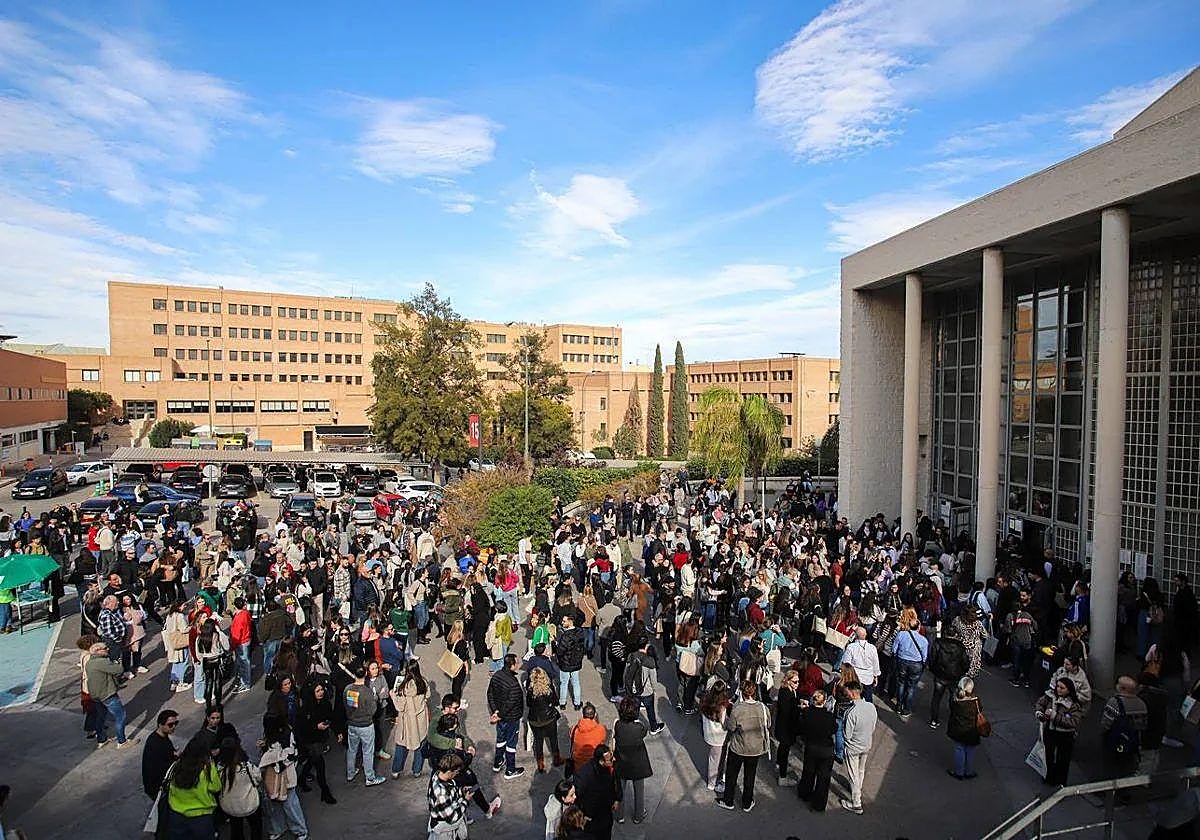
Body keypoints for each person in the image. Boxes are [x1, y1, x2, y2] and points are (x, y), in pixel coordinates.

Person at [716, 681, 770, 813]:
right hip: (755, 749)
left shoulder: (737, 708)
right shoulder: (763, 708)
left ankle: (728, 800)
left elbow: (731, 727)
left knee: (731, 775)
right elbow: (767, 724)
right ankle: (747, 802)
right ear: (755, 693)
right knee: (750, 776)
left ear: (742, 692)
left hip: (738, 747)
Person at [259, 715, 308, 840]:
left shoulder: (287, 735)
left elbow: (292, 755)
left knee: (290, 804)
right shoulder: (273, 735)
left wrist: (276, 762)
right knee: (274, 804)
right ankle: (278, 828)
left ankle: (300, 830)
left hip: (286, 774)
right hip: (274, 775)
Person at [165, 732, 223, 838]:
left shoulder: (177, 766)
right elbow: (216, 787)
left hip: (176, 815)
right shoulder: (207, 769)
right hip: (200, 816)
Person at [85, 641, 137, 749]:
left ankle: (101, 740)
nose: (107, 649)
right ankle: (122, 741)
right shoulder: (102, 662)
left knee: (101, 717)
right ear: (97, 651)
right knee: (120, 716)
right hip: (107, 694)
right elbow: (119, 670)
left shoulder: (90, 662)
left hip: (96, 695)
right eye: (105, 648)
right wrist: (115, 662)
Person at [1036, 677, 1085, 786]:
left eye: (1062, 688)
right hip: (1050, 731)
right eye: (1058, 686)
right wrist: (1039, 712)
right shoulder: (1050, 696)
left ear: (1069, 690)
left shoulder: (1074, 705)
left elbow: (1074, 722)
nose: (1058, 689)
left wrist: (1055, 716)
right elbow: (1040, 703)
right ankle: (1048, 777)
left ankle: (1060, 781)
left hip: (1065, 735)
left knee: (1063, 759)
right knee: (1048, 755)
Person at [343, 664, 387, 786]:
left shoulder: (348, 689)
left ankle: (350, 773)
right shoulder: (367, 692)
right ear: (366, 674)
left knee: (352, 750)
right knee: (368, 751)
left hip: (352, 724)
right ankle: (370, 777)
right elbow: (373, 710)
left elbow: (346, 706)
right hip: (366, 725)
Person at [295, 682, 338, 805]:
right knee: (319, 763)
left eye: (321, 690)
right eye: (317, 691)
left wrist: (334, 729)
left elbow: (330, 716)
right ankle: (325, 791)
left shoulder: (325, 703)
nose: (321, 692)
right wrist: (315, 726)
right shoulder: (306, 708)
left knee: (311, 760)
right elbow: (302, 726)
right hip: (309, 739)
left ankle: (302, 779)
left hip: (320, 738)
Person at [1100, 675, 1149, 781]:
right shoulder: (1142, 704)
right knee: (1127, 765)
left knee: (1111, 765)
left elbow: (1106, 723)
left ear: (1122, 688)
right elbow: (1143, 725)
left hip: (1114, 739)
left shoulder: (1114, 702)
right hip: (1132, 741)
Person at [839, 681, 877, 815]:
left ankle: (856, 803)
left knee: (853, 774)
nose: (845, 693)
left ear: (851, 692)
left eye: (847, 691)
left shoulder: (851, 712)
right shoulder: (871, 707)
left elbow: (847, 735)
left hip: (853, 748)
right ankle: (858, 789)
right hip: (866, 744)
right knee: (861, 770)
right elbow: (873, 726)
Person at [796, 689, 837, 812]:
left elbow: (801, 728)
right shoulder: (829, 716)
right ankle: (819, 804)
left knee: (808, 772)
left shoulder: (807, 713)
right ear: (824, 702)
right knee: (823, 778)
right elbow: (834, 729)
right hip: (826, 749)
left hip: (811, 747)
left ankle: (805, 794)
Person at [216, 735, 264, 840]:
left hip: (231, 807)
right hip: (249, 804)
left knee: (236, 828)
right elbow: (258, 777)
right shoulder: (245, 766)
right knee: (256, 826)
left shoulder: (220, 768)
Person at [613, 696, 652, 824]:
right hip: (638, 762)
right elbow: (644, 732)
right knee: (639, 790)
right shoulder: (640, 726)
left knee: (620, 790)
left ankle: (619, 815)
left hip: (621, 761)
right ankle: (638, 815)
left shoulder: (617, 724)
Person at [487, 653, 527, 778]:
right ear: (512, 665)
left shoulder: (497, 675)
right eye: (517, 663)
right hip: (511, 718)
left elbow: (490, 694)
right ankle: (510, 769)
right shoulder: (513, 684)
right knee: (511, 744)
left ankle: (498, 762)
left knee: (500, 740)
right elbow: (511, 702)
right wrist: (500, 714)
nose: (519, 664)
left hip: (500, 715)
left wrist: (495, 711)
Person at [390, 660, 431, 778]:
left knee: (401, 746)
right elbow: (427, 696)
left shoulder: (403, 687)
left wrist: (393, 695)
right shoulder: (423, 682)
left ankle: (396, 770)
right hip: (420, 719)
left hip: (407, 721)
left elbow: (400, 706)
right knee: (421, 744)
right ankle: (417, 770)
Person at [573, 745, 620, 840]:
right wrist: (583, 814)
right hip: (591, 816)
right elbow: (578, 795)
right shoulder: (585, 773)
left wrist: (617, 799)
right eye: (610, 759)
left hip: (606, 811)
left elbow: (616, 783)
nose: (613, 759)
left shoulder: (610, 767)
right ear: (601, 761)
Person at [927, 623, 969, 729]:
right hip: (954, 676)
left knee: (936, 698)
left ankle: (934, 720)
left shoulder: (938, 643)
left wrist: (933, 670)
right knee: (954, 698)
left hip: (940, 675)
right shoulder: (960, 647)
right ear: (955, 634)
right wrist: (961, 673)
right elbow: (965, 663)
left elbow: (932, 659)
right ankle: (953, 718)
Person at [890, 611, 928, 719]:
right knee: (911, 687)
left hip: (902, 661)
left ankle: (898, 705)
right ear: (918, 627)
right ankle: (906, 709)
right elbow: (924, 656)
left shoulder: (901, 634)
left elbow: (894, 649)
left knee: (901, 683)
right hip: (916, 664)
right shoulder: (924, 640)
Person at [527, 666, 565, 773]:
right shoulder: (549, 688)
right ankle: (557, 759)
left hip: (534, 719)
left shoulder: (530, 690)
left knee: (538, 740)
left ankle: (540, 764)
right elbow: (556, 702)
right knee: (553, 738)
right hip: (549, 718)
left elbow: (528, 704)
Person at [946, 676, 984, 780]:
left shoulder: (955, 700)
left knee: (959, 749)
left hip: (958, 729)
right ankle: (969, 771)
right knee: (970, 751)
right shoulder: (975, 701)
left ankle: (959, 772)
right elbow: (980, 710)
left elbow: (951, 710)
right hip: (972, 730)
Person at [623, 638, 664, 734]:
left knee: (635, 707)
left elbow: (627, 672)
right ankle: (654, 727)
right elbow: (653, 680)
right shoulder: (649, 660)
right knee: (650, 710)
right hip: (646, 691)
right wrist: (654, 689)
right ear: (645, 646)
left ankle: (634, 723)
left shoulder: (631, 656)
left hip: (633, 689)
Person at [427, 753, 469, 840]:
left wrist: (461, 791)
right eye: (456, 771)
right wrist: (465, 801)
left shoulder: (438, 775)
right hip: (445, 831)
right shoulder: (441, 794)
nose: (457, 774)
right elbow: (452, 818)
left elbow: (451, 793)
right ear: (449, 772)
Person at [699, 680, 730, 793]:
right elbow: (724, 724)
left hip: (708, 734)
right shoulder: (722, 707)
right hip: (720, 737)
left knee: (713, 758)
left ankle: (715, 780)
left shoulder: (705, 701)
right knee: (718, 759)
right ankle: (714, 782)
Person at [142, 709, 179, 799]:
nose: (174, 727)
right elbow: (159, 767)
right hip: (158, 788)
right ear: (160, 725)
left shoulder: (162, 737)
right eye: (170, 725)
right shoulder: (154, 744)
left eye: (176, 723)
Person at [554, 612, 587, 710]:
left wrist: (556, 645)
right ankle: (577, 703)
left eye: (564, 621)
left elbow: (560, 651)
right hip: (576, 662)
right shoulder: (580, 632)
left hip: (565, 663)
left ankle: (562, 703)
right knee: (576, 683)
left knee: (564, 683)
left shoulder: (565, 636)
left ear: (570, 621)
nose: (562, 622)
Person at [773, 668, 801, 784]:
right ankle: (782, 777)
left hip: (787, 727)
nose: (797, 684)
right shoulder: (785, 693)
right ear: (788, 681)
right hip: (786, 728)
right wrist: (798, 708)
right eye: (795, 682)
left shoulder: (791, 691)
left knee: (783, 749)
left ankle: (779, 765)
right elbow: (787, 711)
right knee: (785, 751)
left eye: (798, 681)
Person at [840, 627, 881, 702]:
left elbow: (846, 663)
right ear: (865, 635)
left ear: (856, 635)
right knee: (868, 698)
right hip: (868, 678)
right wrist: (876, 676)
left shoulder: (851, 647)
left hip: (855, 677)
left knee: (854, 699)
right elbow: (875, 664)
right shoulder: (872, 648)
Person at [568, 702, 607, 777]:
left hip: (578, 765)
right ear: (594, 715)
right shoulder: (601, 729)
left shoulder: (574, 729)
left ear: (583, 715)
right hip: (594, 765)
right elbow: (602, 741)